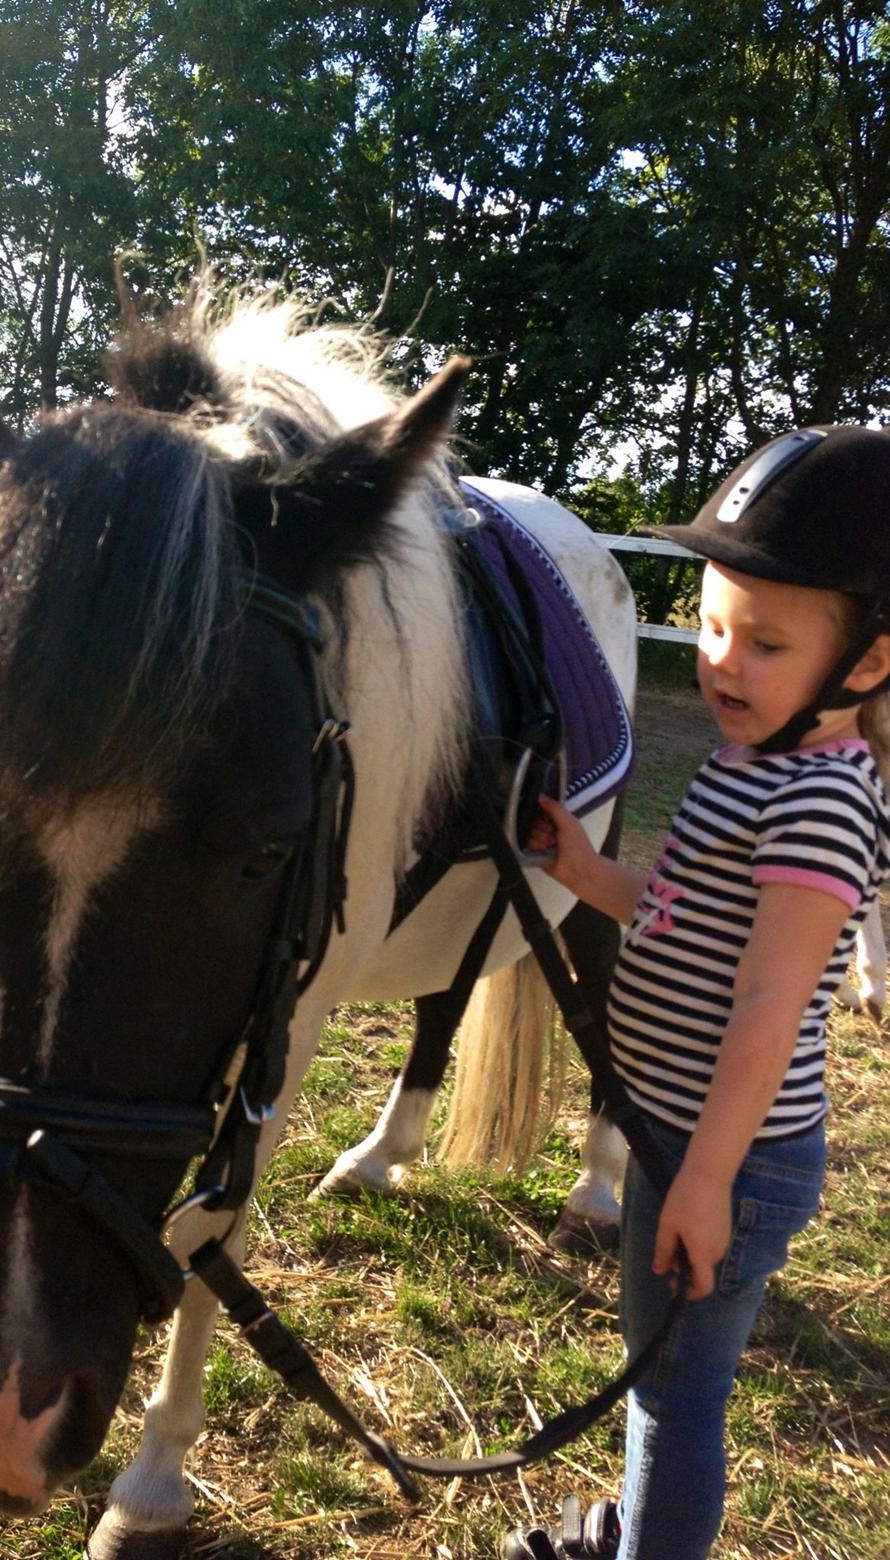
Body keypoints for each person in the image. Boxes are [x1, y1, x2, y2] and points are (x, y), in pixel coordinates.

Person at [504, 426, 890, 1560]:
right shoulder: (753, 762)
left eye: (765, 643)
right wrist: (589, 874)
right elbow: (686, 917)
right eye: (714, 627)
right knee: (658, 1377)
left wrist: (708, 1179)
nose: (721, 662)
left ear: (867, 663)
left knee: (675, 1397)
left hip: (732, 1156)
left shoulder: (819, 802)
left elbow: (771, 1007)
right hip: (681, 1134)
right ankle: (641, 1530)